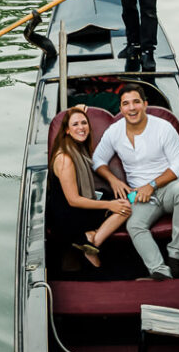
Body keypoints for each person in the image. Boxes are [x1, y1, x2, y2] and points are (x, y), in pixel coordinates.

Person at [92, 84, 179, 279]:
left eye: (136, 102)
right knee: (134, 225)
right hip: (139, 194)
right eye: (126, 104)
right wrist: (113, 180)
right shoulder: (114, 131)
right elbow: (98, 161)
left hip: (168, 187)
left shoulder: (163, 127)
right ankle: (159, 271)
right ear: (121, 109)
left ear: (145, 104)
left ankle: (175, 257)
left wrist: (152, 185)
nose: (132, 108)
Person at [48, 106, 132, 268]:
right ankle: (92, 244)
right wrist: (110, 205)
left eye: (84, 123)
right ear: (67, 130)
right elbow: (73, 200)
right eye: (75, 125)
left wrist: (79, 108)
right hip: (67, 216)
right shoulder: (66, 158)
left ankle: (91, 238)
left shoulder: (77, 149)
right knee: (124, 207)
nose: (81, 128)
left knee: (122, 199)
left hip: (74, 208)